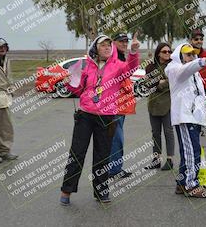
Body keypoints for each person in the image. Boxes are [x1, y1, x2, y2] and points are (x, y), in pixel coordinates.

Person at [60, 35, 139, 205]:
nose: (107, 48)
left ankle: (101, 190)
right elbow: (78, 89)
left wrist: (133, 52)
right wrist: (69, 83)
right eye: (103, 45)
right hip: (85, 115)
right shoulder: (86, 66)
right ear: (96, 48)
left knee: (102, 155)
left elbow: (131, 69)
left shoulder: (118, 66)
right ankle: (66, 190)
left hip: (107, 116)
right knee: (77, 153)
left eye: (109, 46)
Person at [165, 43, 206, 198]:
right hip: (184, 118)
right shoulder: (174, 68)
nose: (191, 56)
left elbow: (198, 92)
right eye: (187, 54)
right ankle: (191, 185)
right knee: (192, 152)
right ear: (179, 55)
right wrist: (205, 60)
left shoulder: (194, 72)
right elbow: (186, 70)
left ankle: (182, 184)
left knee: (190, 152)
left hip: (195, 117)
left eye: (193, 54)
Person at [108, 32, 140, 178]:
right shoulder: (112, 57)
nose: (124, 43)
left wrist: (133, 51)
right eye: (121, 41)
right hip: (113, 106)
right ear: (113, 42)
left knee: (115, 138)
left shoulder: (120, 57)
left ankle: (113, 168)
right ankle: (113, 170)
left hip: (120, 106)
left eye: (126, 41)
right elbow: (129, 70)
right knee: (116, 139)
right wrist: (133, 52)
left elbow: (129, 69)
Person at [144, 42, 175, 170]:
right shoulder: (151, 66)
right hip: (153, 104)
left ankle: (170, 160)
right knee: (155, 133)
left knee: (168, 132)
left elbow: (171, 82)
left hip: (168, 104)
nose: (167, 53)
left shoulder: (173, 66)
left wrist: (157, 84)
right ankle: (156, 159)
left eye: (169, 51)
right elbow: (146, 82)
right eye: (164, 51)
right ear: (158, 53)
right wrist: (159, 82)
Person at [190, 29, 206, 99]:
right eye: (196, 39)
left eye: (201, 39)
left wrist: (205, 90)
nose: (199, 41)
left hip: (205, 93)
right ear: (191, 41)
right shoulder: (186, 55)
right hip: (189, 94)